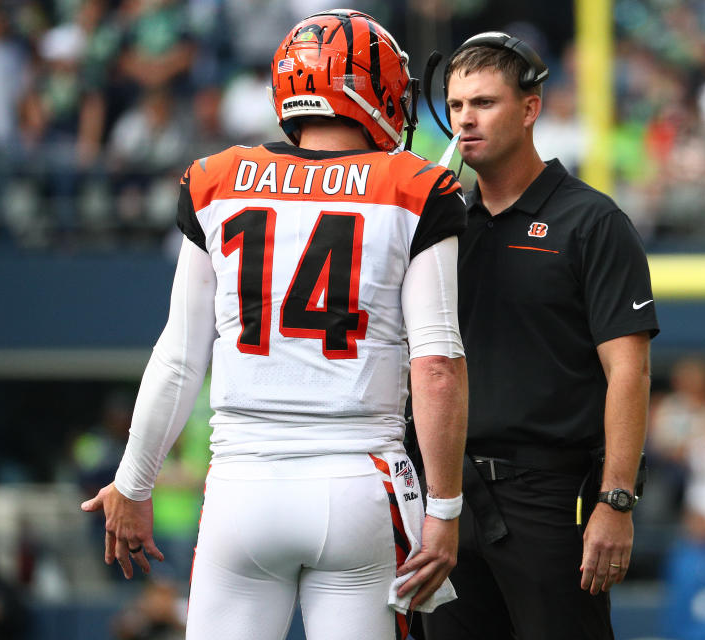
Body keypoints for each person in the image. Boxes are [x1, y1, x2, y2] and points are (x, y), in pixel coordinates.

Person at [80, 10, 469, 640]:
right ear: (370, 89)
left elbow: (180, 357)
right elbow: (437, 365)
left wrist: (134, 479)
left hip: (243, 483)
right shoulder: (415, 185)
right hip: (360, 482)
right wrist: (446, 511)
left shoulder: (217, 179)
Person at [422, 33, 659, 640]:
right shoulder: (438, 224)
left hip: (551, 500)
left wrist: (617, 501)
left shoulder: (593, 221)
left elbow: (628, 372)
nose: (465, 120)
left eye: (484, 102)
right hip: (449, 496)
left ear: (530, 108)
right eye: (455, 106)